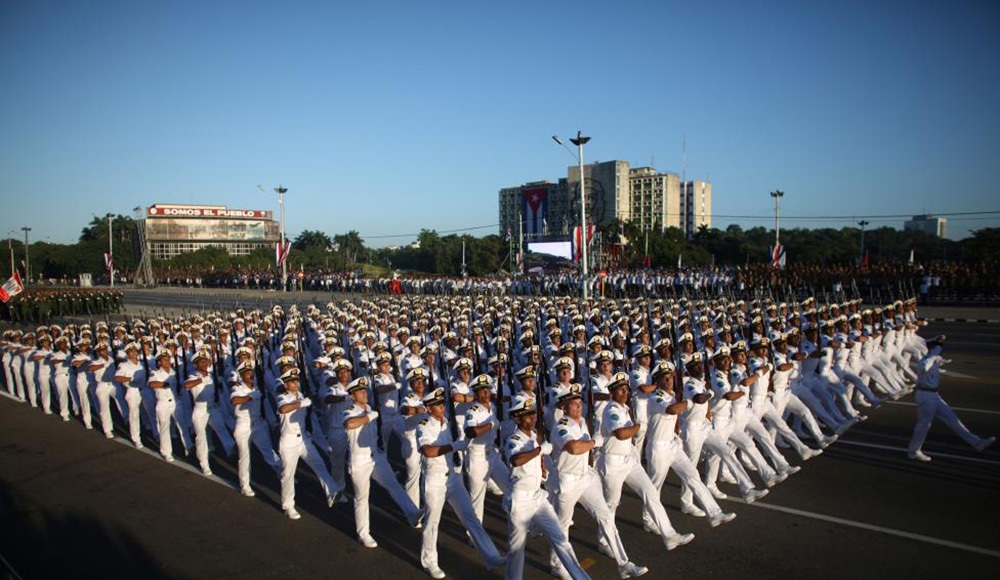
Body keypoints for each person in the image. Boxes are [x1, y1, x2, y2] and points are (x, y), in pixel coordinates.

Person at [548, 383, 648, 579]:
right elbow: (574, 448)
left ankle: (623, 563)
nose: (578, 407)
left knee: (606, 517)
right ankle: (557, 564)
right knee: (563, 525)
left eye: (579, 403)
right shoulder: (561, 427)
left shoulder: (582, 422)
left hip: (585, 478)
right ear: (564, 408)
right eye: (573, 404)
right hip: (567, 482)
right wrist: (594, 443)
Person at [599, 371, 695, 552]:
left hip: (630, 460)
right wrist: (636, 428)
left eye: (625, 390)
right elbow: (620, 433)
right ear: (612, 393)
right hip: (613, 462)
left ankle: (669, 535)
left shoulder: (625, 409)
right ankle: (605, 542)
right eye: (619, 390)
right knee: (611, 504)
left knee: (650, 492)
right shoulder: (611, 410)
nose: (624, 393)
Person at [417, 387, 505, 579]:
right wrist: (455, 446)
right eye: (438, 405)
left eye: (442, 404)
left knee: (471, 517)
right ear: (429, 408)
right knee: (432, 522)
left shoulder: (447, 422)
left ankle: (491, 556)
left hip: (452, 479)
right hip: (435, 479)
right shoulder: (424, 426)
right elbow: (428, 451)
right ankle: (429, 562)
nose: (442, 407)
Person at [505, 394, 592, 580]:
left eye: (533, 414)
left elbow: (539, 457)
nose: (532, 418)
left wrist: (542, 467)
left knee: (561, 539)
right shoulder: (514, 439)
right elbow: (515, 460)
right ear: (517, 418)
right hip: (520, 500)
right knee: (516, 550)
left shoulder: (535, 435)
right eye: (527, 415)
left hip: (538, 497)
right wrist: (539, 451)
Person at [343, 375, 424, 548]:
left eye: (365, 390)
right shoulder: (350, 409)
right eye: (360, 392)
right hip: (359, 461)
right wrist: (368, 417)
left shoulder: (369, 407)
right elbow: (349, 424)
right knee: (362, 498)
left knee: (393, 484)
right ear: (352, 396)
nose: (364, 393)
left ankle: (412, 512)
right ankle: (363, 534)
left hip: (375, 456)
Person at [907, 336, 995, 461]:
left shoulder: (934, 359)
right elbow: (923, 366)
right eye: (936, 350)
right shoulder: (925, 361)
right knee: (924, 425)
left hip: (935, 396)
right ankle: (914, 451)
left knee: (953, 419)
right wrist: (934, 354)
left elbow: (939, 357)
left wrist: (939, 351)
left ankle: (977, 443)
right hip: (925, 396)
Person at [276, 368, 341, 520]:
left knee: (319, 464)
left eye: (296, 381)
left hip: (303, 438)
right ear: (286, 385)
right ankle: (288, 506)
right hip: (289, 440)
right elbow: (283, 409)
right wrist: (301, 403)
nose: (296, 383)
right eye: (292, 382)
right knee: (288, 474)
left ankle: (332, 492)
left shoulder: (300, 395)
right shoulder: (283, 397)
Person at [463, 373, 511, 524]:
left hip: (493, 454)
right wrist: (490, 425)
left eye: (488, 390)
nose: (486, 393)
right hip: (477, 457)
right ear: (476, 393)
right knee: (477, 499)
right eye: (482, 391)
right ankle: (474, 536)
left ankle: (518, 521)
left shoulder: (492, 408)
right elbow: (470, 432)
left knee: (511, 487)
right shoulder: (472, 412)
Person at [230, 360, 282, 496]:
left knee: (269, 451)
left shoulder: (257, 386)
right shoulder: (238, 388)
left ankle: (282, 472)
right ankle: (245, 485)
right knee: (245, 456)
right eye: (247, 373)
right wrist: (249, 398)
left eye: (251, 372)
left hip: (258, 424)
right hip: (243, 425)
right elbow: (234, 401)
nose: (250, 374)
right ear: (241, 375)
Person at [183, 349, 235, 476]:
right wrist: (201, 380)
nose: (204, 363)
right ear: (196, 364)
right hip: (200, 410)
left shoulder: (212, 376)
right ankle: (204, 464)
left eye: (205, 361)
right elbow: (186, 386)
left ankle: (231, 451)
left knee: (221, 429)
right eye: (201, 362)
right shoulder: (194, 376)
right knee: (201, 438)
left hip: (212, 408)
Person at [113, 342, 147, 448]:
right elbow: (117, 378)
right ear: (127, 354)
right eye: (131, 351)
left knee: (149, 413)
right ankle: (136, 438)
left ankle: (154, 434)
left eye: (135, 351)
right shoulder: (123, 365)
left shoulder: (142, 363)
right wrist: (130, 379)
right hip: (132, 391)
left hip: (144, 390)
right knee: (134, 415)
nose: (134, 353)